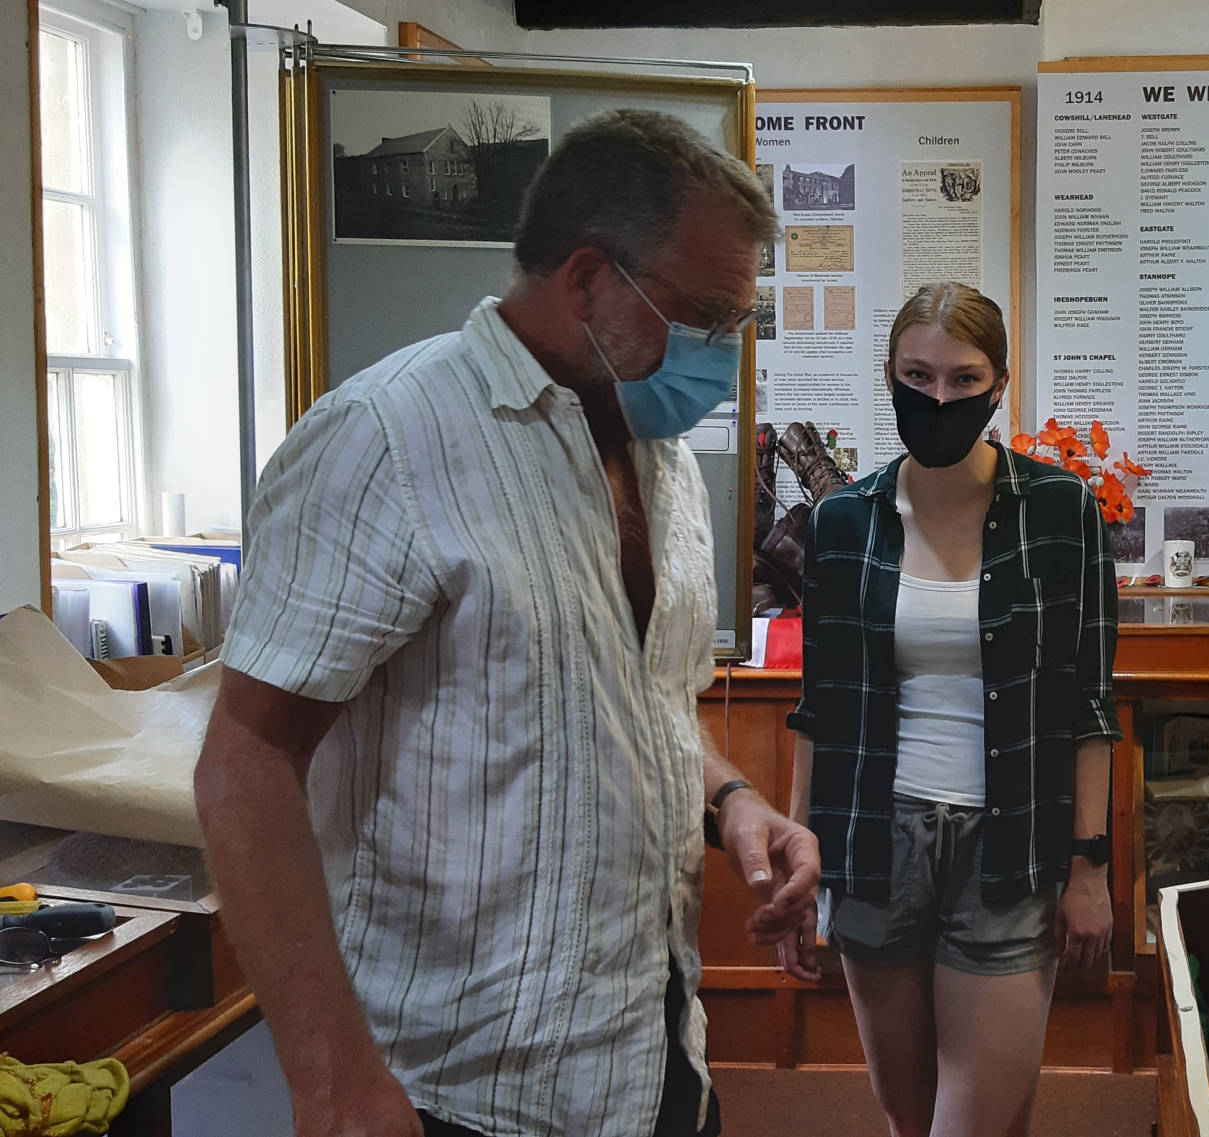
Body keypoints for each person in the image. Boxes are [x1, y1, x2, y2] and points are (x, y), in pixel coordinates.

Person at [193, 110, 820, 1137]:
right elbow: (244, 761)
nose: (720, 354)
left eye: (736, 326)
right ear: (586, 279)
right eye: (704, 316)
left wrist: (736, 800)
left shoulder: (650, 451)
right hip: (455, 1087)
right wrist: (331, 1078)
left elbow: (643, 702)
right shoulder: (386, 437)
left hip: (648, 1056)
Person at [787, 283, 1120, 1137]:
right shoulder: (840, 521)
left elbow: (1089, 700)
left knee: (969, 1123)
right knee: (913, 1117)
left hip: (1009, 840)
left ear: (1000, 383)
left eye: (963, 378)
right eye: (917, 375)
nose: (938, 398)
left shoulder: (1059, 510)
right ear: (890, 374)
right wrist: (799, 868)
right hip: (872, 838)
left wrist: (1091, 865)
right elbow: (818, 709)